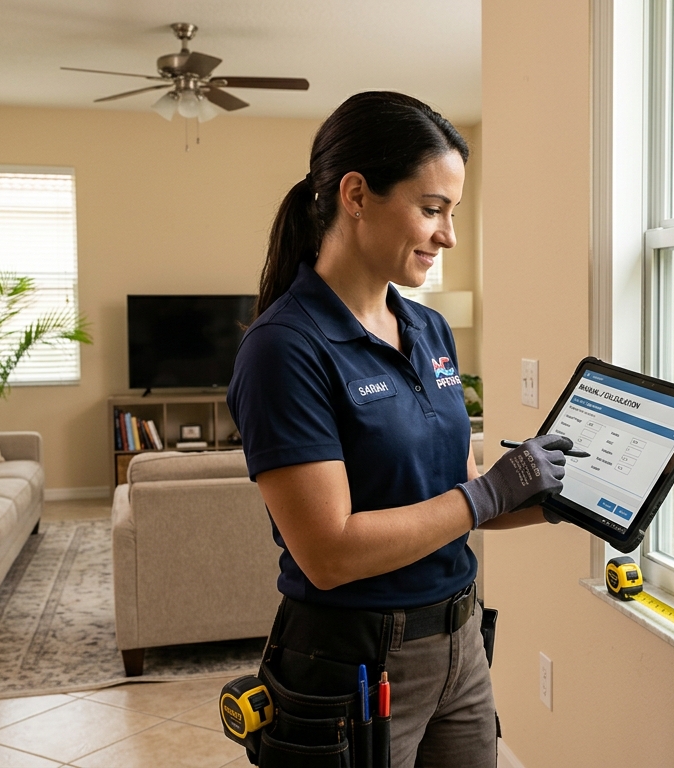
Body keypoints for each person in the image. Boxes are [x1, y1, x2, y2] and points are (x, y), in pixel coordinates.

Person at [227, 91, 572, 768]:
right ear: (356, 194)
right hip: (353, 661)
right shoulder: (285, 349)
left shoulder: (428, 328)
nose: (448, 235)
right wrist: (488, 496)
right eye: (433, 208)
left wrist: (561, 499)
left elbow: (459, 492)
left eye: (453, 213)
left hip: (460, 641)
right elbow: (328, 553)